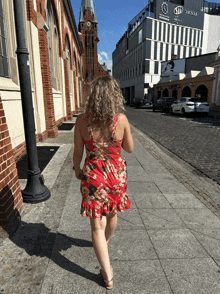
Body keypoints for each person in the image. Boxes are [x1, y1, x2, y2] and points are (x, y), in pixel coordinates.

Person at [73, 76, 134, 290]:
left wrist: (78, 171)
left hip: (94, 175)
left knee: (96, 224)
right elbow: (129, 148)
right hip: (116, 174)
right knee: (112, 213)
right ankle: (105, 246)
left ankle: (107, 274)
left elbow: (78, 153)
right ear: (114, 96)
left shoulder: (81, 121)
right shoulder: (122, 120)